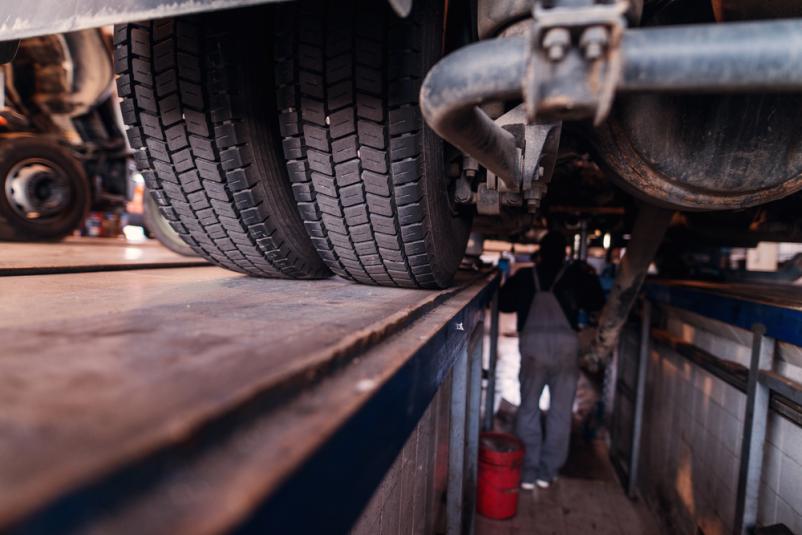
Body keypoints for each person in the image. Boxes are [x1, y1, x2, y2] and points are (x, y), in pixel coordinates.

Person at [498, 231, 604, 490]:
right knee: (559, 413)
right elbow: (597, 302)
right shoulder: (575, 276)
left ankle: (528, 473)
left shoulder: (524, 276)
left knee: (529, 409)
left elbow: (503, 304)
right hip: (566, 351)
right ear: (565, 254)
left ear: (540, 253)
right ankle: (548, 472)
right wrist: (589, 274)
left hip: (533, 349)